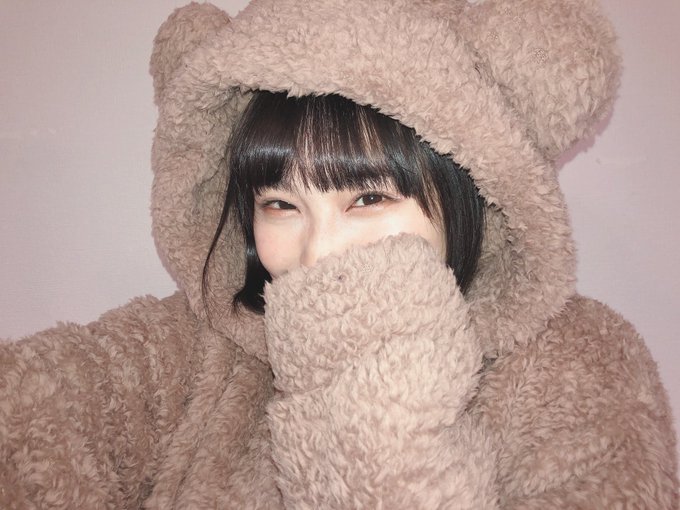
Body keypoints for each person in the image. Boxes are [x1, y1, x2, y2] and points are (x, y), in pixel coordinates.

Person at [1, 0, 677, 508]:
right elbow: (43, 411)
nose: (318, 251)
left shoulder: (580, 361)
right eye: (280, 204)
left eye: (367, 198)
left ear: (465, 194)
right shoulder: (196, 345)